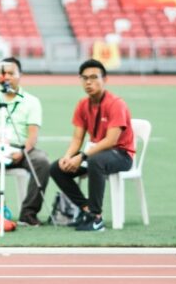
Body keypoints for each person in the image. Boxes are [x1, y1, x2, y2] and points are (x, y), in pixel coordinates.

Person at [50, 59, 135, 232]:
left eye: (94, 77)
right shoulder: (82, 104)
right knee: (57, 168)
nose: (89, 82)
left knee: (96, 161)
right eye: (84, 78)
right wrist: (68, 157)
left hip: (120, 154)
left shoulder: (115, 104)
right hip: (95, 152)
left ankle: (96, 217)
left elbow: (111, 141)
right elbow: (77, 139)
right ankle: (86, 209)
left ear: (105, 79)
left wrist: (82, 156)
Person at [0, 57, 50, 226]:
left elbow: (32, 135)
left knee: (41, 161)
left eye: (10, 73)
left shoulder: (31, 101)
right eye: (1, 73)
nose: (5, 77)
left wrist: (23, 151)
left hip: (19, 149)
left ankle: (28, 213)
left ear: (20, 75)